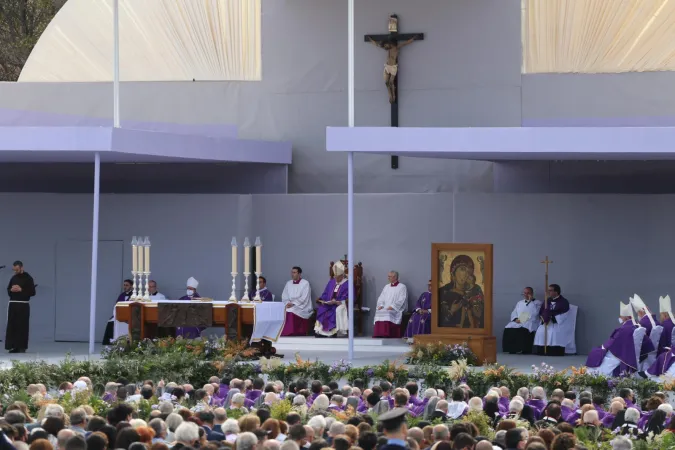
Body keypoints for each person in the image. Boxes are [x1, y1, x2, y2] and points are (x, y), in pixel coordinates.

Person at [586, 302, 644, 376]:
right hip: (628, 351)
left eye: (621, 316)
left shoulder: (625, 328)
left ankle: (595, 373)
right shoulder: (635, 325)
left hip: (619, 353)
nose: (620, 318)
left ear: (626, 317)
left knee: (596, 352)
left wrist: (604, 347)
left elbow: (615, 342)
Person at [5, 261, 36, 353]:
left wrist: (21, 289)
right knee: (12, 325)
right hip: (13, 304)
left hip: (23, 305)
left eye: (17, 269)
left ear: (22, 268)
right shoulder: (13, 278)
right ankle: (13, 346)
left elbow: (32, 292)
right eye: (14, 270)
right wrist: (11, 289)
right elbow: (8, 289)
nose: (15, 271)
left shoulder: (28, 278)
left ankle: (22, 347)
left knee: (22, 325)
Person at [533, 284, 570, 356]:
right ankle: (542, 351)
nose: (548, 292)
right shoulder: (547, 300)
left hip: (556, 322)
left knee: (554, 332)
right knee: (541, 331)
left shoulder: (564, 301)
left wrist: (553, 318)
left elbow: (565, 313)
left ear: (556, 292)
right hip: (546, 322)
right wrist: (544, 318)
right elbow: (541, 311)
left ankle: (554, 351)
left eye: (550, 290)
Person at [314, 261, 348, 338]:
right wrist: (322, 299)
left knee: (335, 310)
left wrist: (338, 301)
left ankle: (333, 332)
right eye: (335, 276)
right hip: (329, 303)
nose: (336, 278)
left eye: (338, 276)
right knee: (322, 308)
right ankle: (319, 331)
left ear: (342, 275)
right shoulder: (331, 282)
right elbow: (325, 293)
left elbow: (349, 296)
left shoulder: (348, 284)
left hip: (340, 303)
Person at [502, 287, 541, 354]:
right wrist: (515, 319)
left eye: (528, 293)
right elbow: (514, 312)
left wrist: (530, 301)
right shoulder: (520, 303)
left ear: (532, 294)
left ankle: (524, 349)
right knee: (508, 328)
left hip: (530, 321)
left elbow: (535, 313)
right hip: (519, 321)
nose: (526, 295)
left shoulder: (537, 303)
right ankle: (512, 349)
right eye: (524, 293)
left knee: (523, 329)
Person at [373, 271, 408, 338]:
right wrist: (380, 305)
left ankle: (387, 333)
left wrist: (392, 306)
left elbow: (402, 299)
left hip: (396, 308)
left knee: (388, 313)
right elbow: (381, 297)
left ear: (395, 277)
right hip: (386, 307)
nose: (388, 278)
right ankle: (379, 333)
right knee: (379, 312)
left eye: (389, 276)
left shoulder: (402, 287)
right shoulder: (386, 286)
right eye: (388, 276)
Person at [281, 267, 313, 336]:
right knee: (284, 309)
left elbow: (305, 297)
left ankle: (291, 332)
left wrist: (293, 303)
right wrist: (287, 303)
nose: (292, 274)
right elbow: (284, 296)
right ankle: (283, 332)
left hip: (302, 306)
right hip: (290, 304)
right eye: (292, 272)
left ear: (299, 274)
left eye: (294, 272)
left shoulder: (305, 283)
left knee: (291, 310)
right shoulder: (288, 283)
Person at [102, 279, 133, 346]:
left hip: (129, 317)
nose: (125, 287)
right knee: (110, 322)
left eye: (127, 285)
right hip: (119, 316)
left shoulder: (134, 295)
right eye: (124, 285)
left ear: (131, 286)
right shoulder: (121, 295)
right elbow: (116, 305)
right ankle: (110, 341)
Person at [630, 294, 658, 362]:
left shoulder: (642, 323)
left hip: (646, 354)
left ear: (640, 312)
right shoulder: (657, 321)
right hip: (658, 352)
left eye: (637, 313)